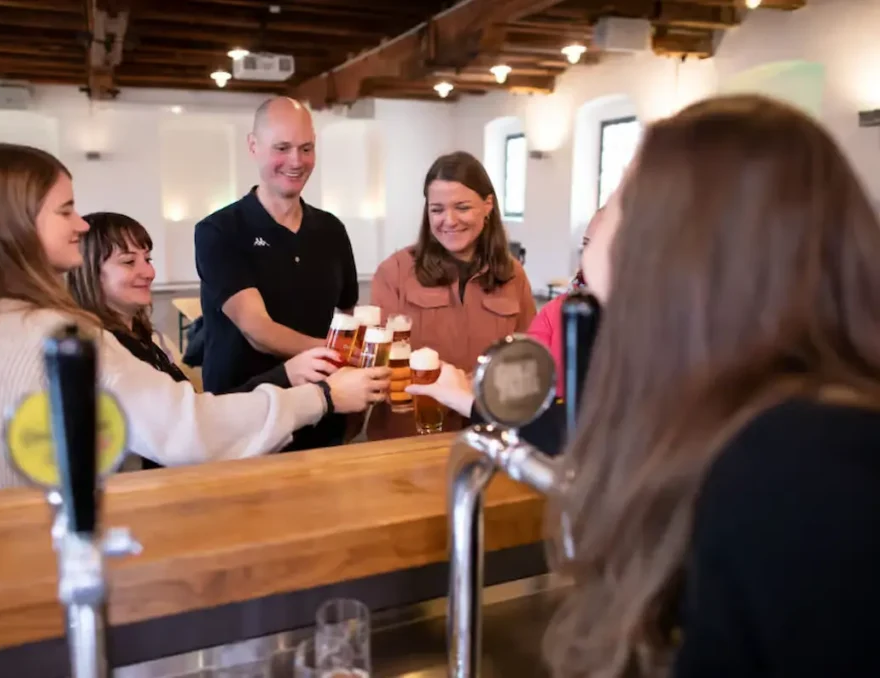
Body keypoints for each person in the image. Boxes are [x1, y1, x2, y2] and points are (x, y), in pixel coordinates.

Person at [419, 95, 880, 677]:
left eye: (621, 195)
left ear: (674, 243)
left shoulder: (799, 471)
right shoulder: (736, 423)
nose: (599, 218)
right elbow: (581, 430)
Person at [0, 142, 388, 500]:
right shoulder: (60, 338)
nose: (81, 225)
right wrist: (319, 398)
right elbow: (187, 431)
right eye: (65, 211)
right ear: (14, 226)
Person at [67, 211, 358, 470]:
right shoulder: (105, 350)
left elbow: (204, 415)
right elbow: (191, 434)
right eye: (129, 262)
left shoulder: (147, 340)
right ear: (87, 271)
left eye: (148, 259)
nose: (149, 272)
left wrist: (287, 374)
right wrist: (319, 393)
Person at [194, 96, 360, 451]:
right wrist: (340, 354)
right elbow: (259, 331)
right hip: (246, 421)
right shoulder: (219, 231)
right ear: (253, 146)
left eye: (306, 148)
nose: (296, 162)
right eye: (282, 148)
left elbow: (346, 316)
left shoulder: (331, 229)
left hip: (323, 414)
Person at [371, 151, 536, 374]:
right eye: (437, 210)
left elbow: (528, 360)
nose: (449, 221)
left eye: (462, 208)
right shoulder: (394, 272)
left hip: (486, 407)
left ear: (488, 204)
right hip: (417, 406)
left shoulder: (514, 275)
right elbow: (378, 365)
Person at [526, 207, 604, 399]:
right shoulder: (555, 311)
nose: (589, 257)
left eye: (603, 247)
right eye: (586, 245)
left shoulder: (655, 325)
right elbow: (528, 388)